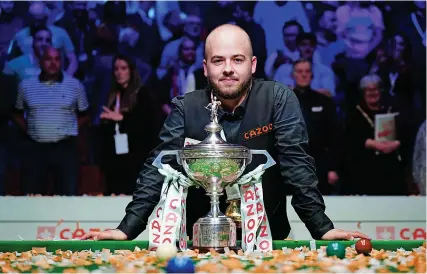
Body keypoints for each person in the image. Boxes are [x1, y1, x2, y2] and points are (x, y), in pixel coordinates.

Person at [81, 24, 369, 241]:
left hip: (269, 241)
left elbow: (297, 165)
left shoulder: (278, 99)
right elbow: (157, 168)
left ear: (253, 64)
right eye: (218, 61)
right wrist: (127, 228)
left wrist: (321, 227)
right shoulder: (186, 107)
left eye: (238, 60)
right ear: (205, 68)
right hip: (200, 242)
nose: (228, 69)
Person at [13, 47, 89, 195]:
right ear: (40, 62)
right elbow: (16, 113)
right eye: (48, 59)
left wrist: (70, 128)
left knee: (68, 194)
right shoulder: (26, 85)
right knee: (32, 194)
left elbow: (85, 114)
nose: (53, 63)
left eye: (57, 59)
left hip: (64, 148)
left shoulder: (75, 85)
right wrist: (29, 129)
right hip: (35, 148)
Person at [98, 54, 163, 195]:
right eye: (116, 69)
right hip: (115, 158)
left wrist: (122, 118)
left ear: (131, 71)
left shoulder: (142, 94)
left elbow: (147, 126)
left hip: (136, 159)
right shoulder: (112, 95)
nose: (119, 72)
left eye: (123, 68)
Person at [341, 74, 408, 195]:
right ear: (363, 92)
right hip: (364, 168)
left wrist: (396, 143)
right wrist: (372, 144)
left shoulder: (393, 108)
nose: (372, 92)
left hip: (391, 166)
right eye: (368, 89)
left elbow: (406, 132)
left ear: (381, 90)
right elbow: (350, 138)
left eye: (375, 88)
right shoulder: (354, 112)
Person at [291, 59, 342, 195]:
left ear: (312, 75)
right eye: (300, 71)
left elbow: (334, 137)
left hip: (318, 164)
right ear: (293, 75)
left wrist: (332, 168)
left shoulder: (324, 102)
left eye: (307, 71)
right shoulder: (282, 102)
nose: (304, 75)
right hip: (290, 164)